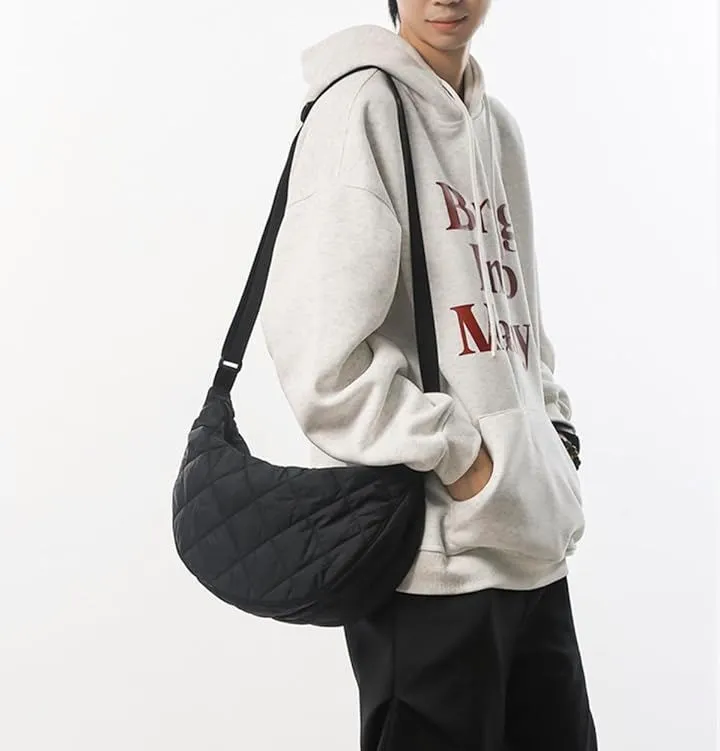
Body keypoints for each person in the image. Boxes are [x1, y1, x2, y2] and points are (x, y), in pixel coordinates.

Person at [259, 1, 598, 748]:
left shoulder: (497, 127)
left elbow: (518, 312)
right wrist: (462, 460)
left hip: (532, 547)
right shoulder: (360, 109)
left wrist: (551, 434)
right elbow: (322, 360)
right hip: (430, 564)